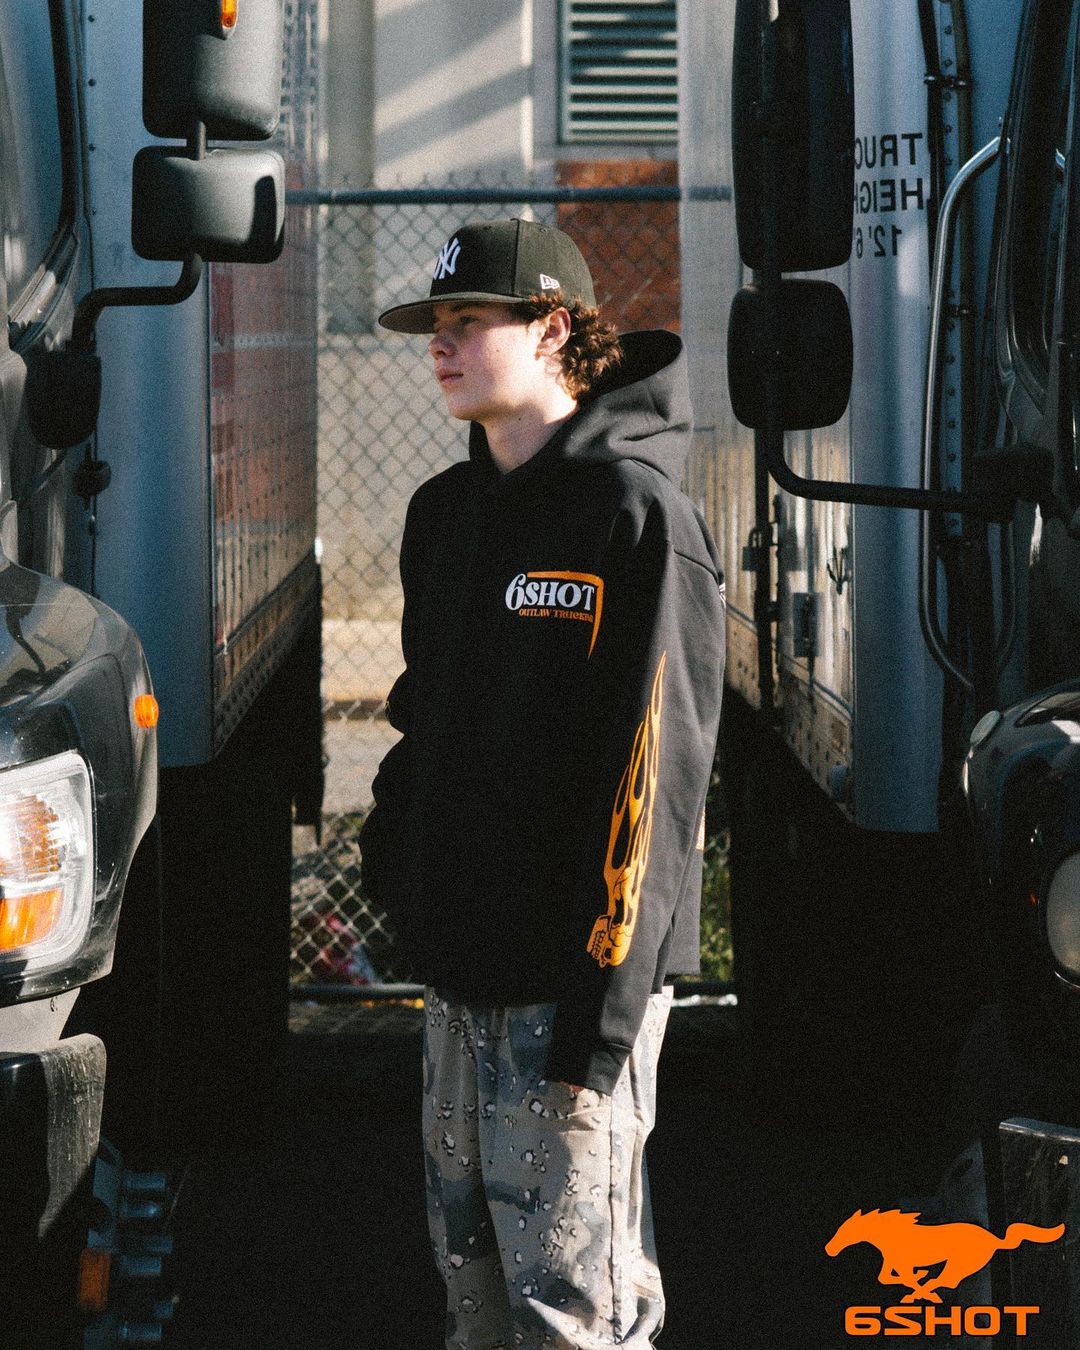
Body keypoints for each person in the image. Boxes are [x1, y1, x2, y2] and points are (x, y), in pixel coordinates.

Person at [360, 218, 725, 1350]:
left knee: (572, 1308)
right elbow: (425, 719)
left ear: (554, 329)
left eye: (468, 321)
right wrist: (404, 879)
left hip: (569, 994)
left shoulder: (636, 515)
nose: (440, 345)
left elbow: (657, 780)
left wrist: (598, 1024)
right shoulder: (443, 515)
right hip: (459, 980)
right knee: (473, 1296)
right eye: (433, 324)